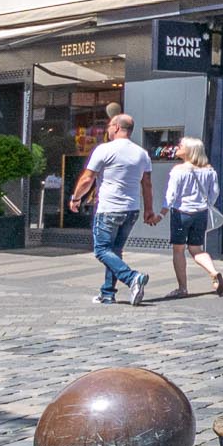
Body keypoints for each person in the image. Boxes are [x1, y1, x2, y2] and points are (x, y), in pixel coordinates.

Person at [69, 113, 156, 305]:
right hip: (132, 209)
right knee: (115, 251)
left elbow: (87, 178)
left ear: (116, 127)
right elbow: (147, 184)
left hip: (109, 208)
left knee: (101, 250)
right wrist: (149, 209)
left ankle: (132, 277)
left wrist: (76, 198)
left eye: (109, 126)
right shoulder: (142, 153)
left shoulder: (104, 149)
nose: (107, 129)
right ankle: (107, 293)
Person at [156, 137, 223, 297]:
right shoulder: (209, 170)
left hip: (181, 213)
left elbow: (171, 195)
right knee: (196, 249)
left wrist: (162, 213)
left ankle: (182, 288)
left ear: (189, 151)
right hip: (200, 213)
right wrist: (205, 204)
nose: (177, 147)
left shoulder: (178, 170)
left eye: (181, 145)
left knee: (178, 250)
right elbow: (214, 193)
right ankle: (213, 272)